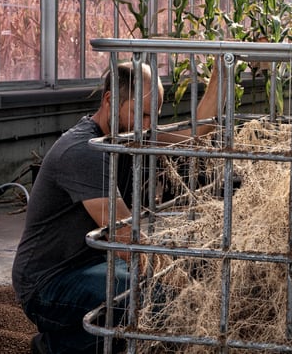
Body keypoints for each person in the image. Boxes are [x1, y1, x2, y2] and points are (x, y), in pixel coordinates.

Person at [12, 61, 220, 354]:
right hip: (49, 282)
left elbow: (196, 135)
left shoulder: (132, 133)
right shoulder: (85, 150)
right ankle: (58, 345)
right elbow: (126, 239)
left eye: (154, 116)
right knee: (158, 296)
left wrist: (222, 71)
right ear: (110, 101)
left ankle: (93, 338)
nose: (148, 125)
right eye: (143, 114)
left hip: (95, 265)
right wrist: (187, 286)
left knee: (177, 274)